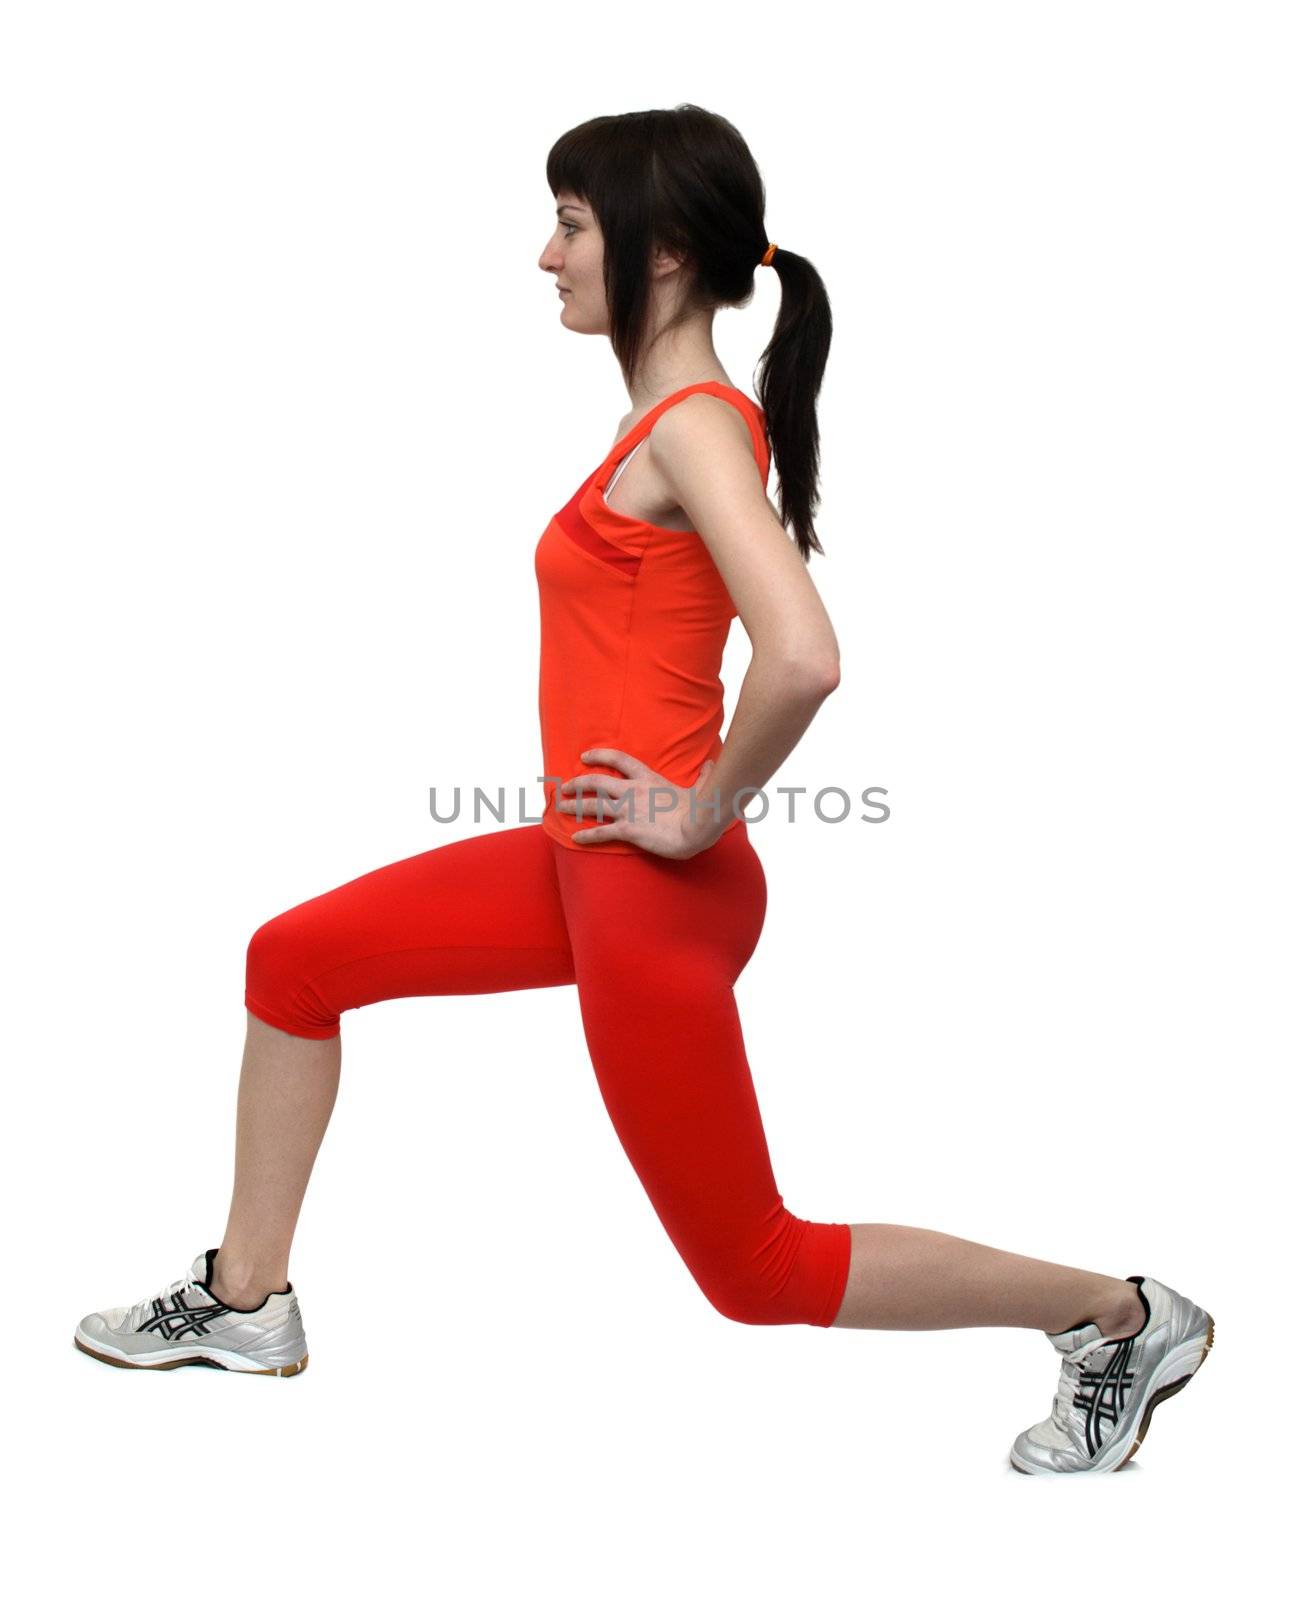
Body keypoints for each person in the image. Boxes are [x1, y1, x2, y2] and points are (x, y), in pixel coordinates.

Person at [73, 104, 1213, 1476]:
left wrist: (699, 806)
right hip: (586, 861)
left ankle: (1117, 1317)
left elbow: (803, 656)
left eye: (569, 222)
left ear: (661, 252)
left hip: (650, 891)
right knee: (294, 960)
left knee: (755, 1269)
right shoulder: (670, 424)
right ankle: (247, 1303)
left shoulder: (692, 430)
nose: (545, 255)